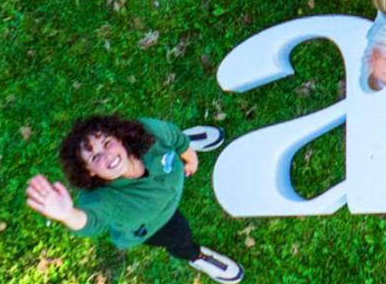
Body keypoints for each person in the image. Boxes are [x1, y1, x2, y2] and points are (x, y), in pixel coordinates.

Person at [24, 115, 242, 281]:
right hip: (157, 222)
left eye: (107, 143)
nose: (108, 156)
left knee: (175, 140)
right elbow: (91, 220)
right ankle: (195, 256)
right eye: (95, 157)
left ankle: (189, 140)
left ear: (120, 138)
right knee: (180, 237)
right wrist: (68, 214)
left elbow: (174, 136)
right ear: (89, 171)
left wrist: (189, 156)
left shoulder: (151, 132)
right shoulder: (103, 199)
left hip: (170, 176)